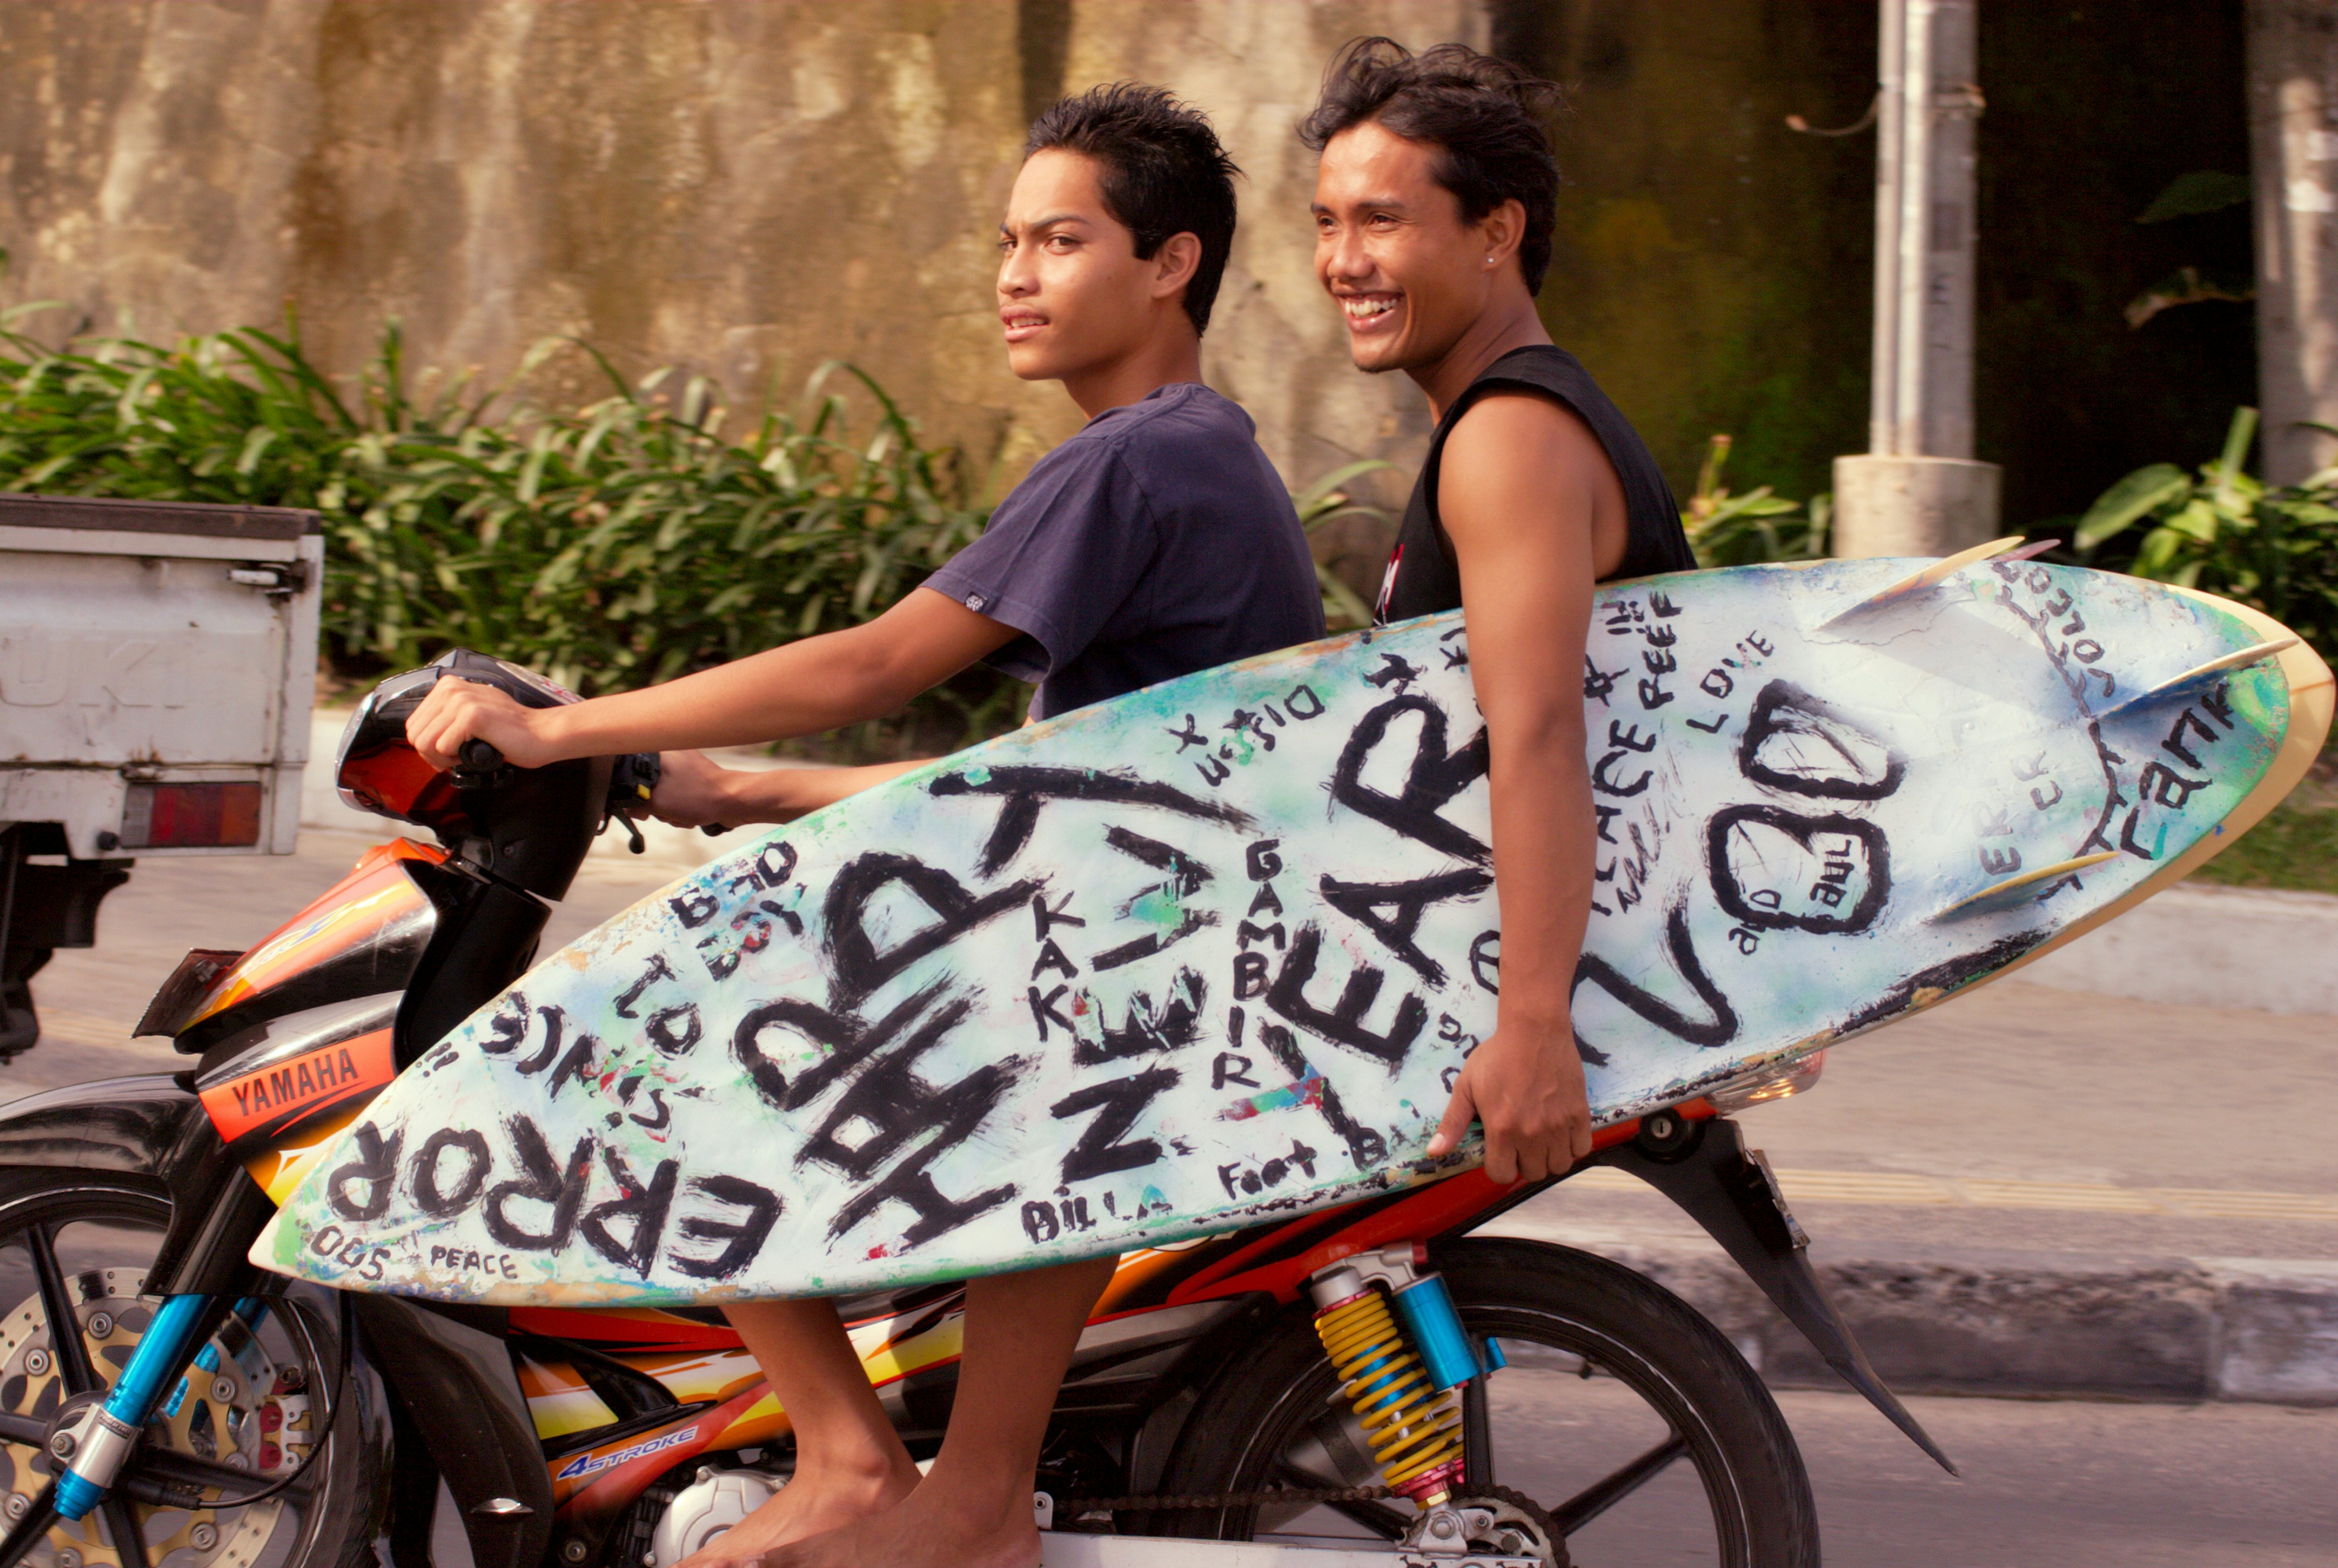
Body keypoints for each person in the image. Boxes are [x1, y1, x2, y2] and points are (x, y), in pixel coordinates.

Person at [406, 84, 1324, 1568]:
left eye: (1060, 240)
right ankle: (899, 1467)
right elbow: (1039, 782)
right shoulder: (1201, 449)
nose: (1014, 276)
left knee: (662, 1044)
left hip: (1108, 982)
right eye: (1007, 242)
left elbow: (878, 664)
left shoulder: (1135, 457)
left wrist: (562, 727)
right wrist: (737, 786)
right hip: (1140, 945)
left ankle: (866, 1467)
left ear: (1171, 264)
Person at [1301, 39, 1698, 1188]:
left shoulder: (1509, 436)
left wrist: (1530, 1024)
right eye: (1325, 223)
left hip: (1505, 1005)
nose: (1342, 262)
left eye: (1380, 221)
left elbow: (1534, 730)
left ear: (1495, 231)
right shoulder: (1508, 418)